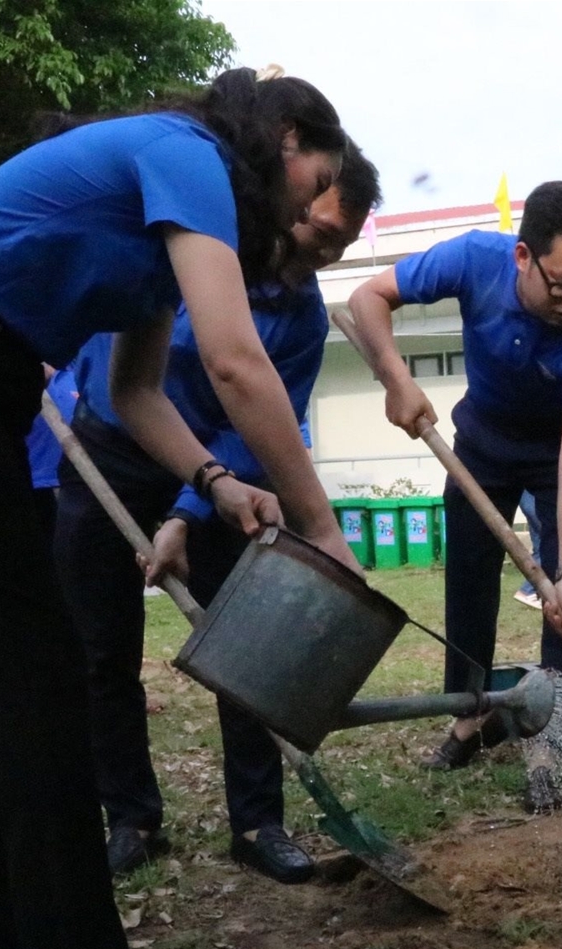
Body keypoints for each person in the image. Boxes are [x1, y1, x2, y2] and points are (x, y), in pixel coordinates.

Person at [0, 67, 358, 949]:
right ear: (286, 138)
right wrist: (323, 528)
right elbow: (237, 362)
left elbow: (137, 391)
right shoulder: (186, 151)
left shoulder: (160, 225)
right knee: (39, 679)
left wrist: (215, 480)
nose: (310, 209)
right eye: (321, 177)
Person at [54, 146, 379, 883]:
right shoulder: (191, 255)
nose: (323, 255)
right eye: (320, 232)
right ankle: (130, 814)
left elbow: (256, 423)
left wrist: (186, 510)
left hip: (225, 480)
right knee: (100, 651)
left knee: (250, 650)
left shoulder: (299, 320)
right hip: (112, 450)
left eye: (341, 245)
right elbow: (124, 378)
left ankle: (259, 821)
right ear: (285, 203)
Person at [346, 180, 562, 813]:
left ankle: (557, 742)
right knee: (467, 578)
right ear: (524, 257)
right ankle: (468, 719)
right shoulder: (473, 259)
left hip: (559, 455)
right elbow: (368, 298)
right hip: (483, 445)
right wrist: (396, 381)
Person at [512, 489, 544, 610]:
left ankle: (533, 593)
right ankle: (527, 590)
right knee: (547, 547)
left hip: (529, 500)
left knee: (539, 548)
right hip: (534, 503)